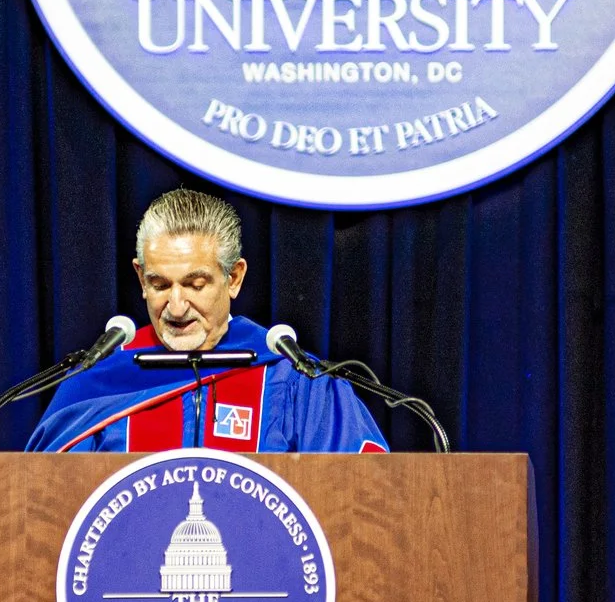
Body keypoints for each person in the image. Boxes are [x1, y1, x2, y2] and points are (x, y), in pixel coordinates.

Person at [26, 189, 389, 453]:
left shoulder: (293, 381)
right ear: (141, 279)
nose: (176, 306)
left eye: (195, 285)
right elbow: (44, 507)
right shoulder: (97, 384)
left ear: (234, 278)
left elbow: (365, 498)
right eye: (160, 284)